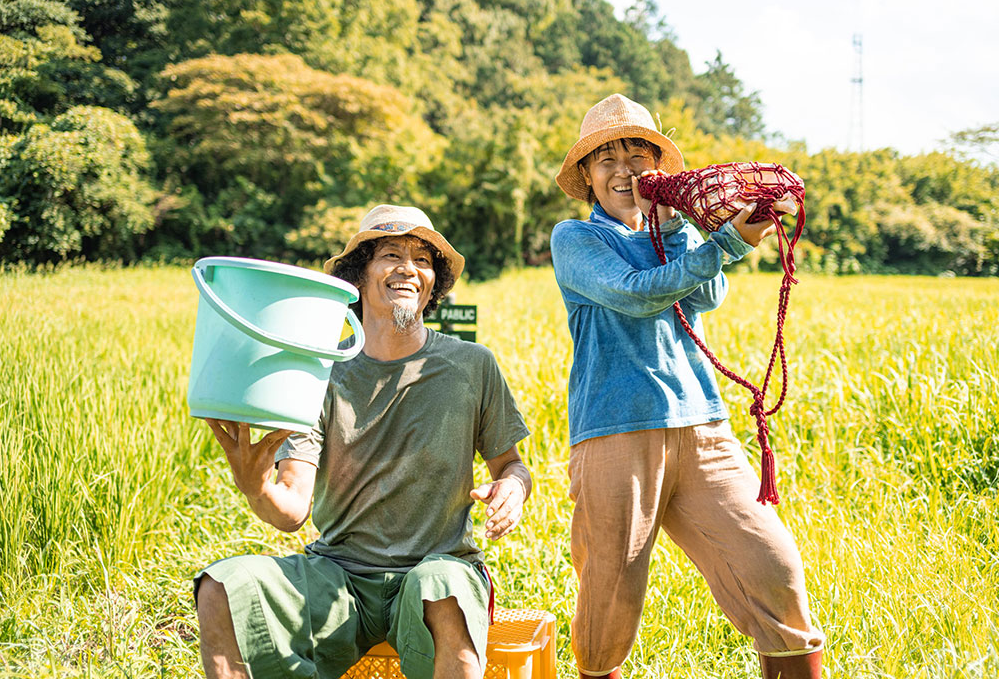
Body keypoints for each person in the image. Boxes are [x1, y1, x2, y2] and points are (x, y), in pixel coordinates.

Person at [550, 94, 825, 679]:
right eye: (607, 159)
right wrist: (725, 243)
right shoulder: (575, 240)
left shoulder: (674, 232)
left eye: (638, 155)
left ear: (659, 168)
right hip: (615, 430)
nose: (624, 170)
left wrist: (676, 223)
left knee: (774, 567)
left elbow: (704, 295)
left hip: (701, 425)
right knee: (610, 594)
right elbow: (635, 291)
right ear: (588, 178)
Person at [195, 204, 532, 679]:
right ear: (358, 275)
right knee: (222, 589)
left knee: (444, 590)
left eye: (423, 259)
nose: (408, 269)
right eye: (391, 254)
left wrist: (513, 488)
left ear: (434, 282)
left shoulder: (471, 365)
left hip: (437, 566)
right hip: (339, 573)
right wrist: (257, 487)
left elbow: (511, 464)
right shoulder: (319, 375)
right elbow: (291, 510)